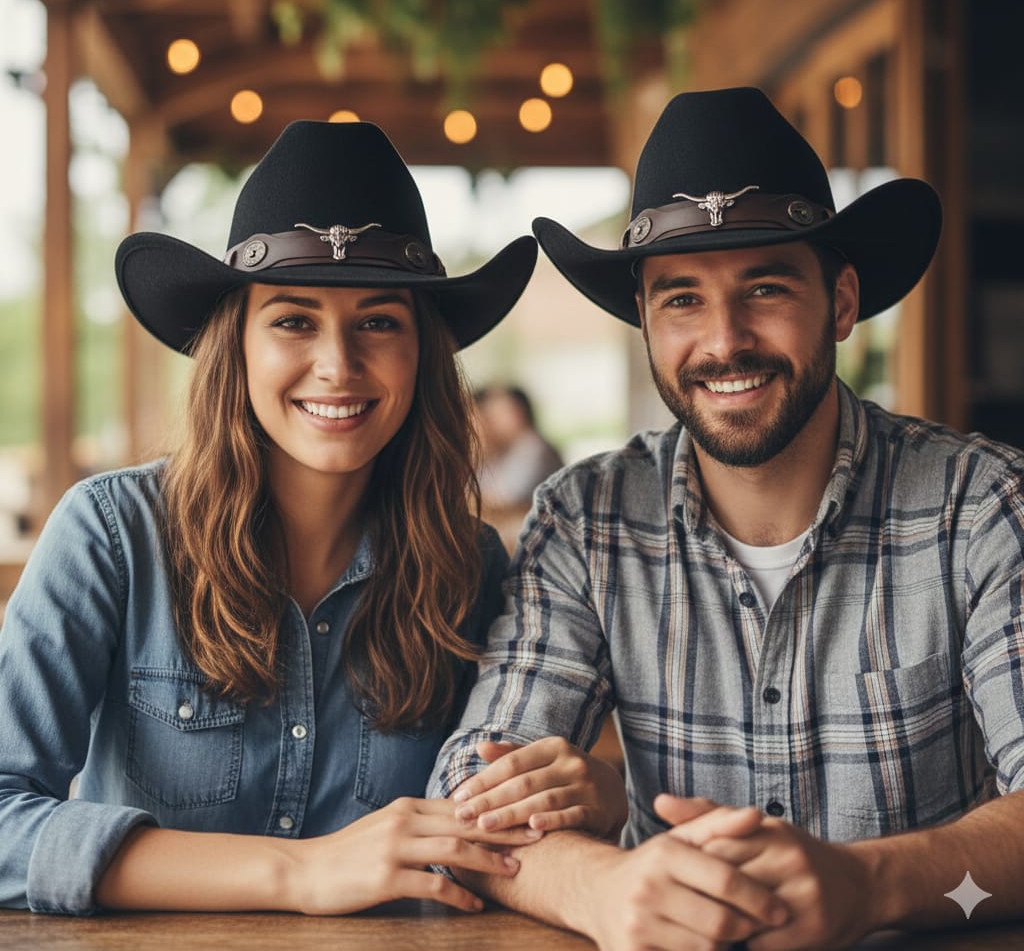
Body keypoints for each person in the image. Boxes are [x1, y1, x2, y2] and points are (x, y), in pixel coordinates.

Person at [429, 86, 1024, 949]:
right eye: (681, 299)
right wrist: (600, 886)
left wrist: (870, 883)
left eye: (766, 287)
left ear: (843, 300)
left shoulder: (982, 507)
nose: (724, 340)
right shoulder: (587, 520)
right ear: (644, 318)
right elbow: (472, 792)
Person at [0, 120, 626, 916]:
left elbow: (485, 837)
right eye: (294, 320)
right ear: (239, 346)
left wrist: (596, 793)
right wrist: (300, 873)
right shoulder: (110, 535)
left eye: (378, 322)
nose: (338, 363)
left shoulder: (469, 566)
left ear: (421, 354)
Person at [473, 384, 563, 551]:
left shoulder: (535, 448)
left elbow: (502, 498)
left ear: (517, 413)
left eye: (497, 413)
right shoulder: (511, 450)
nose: (491, 420)